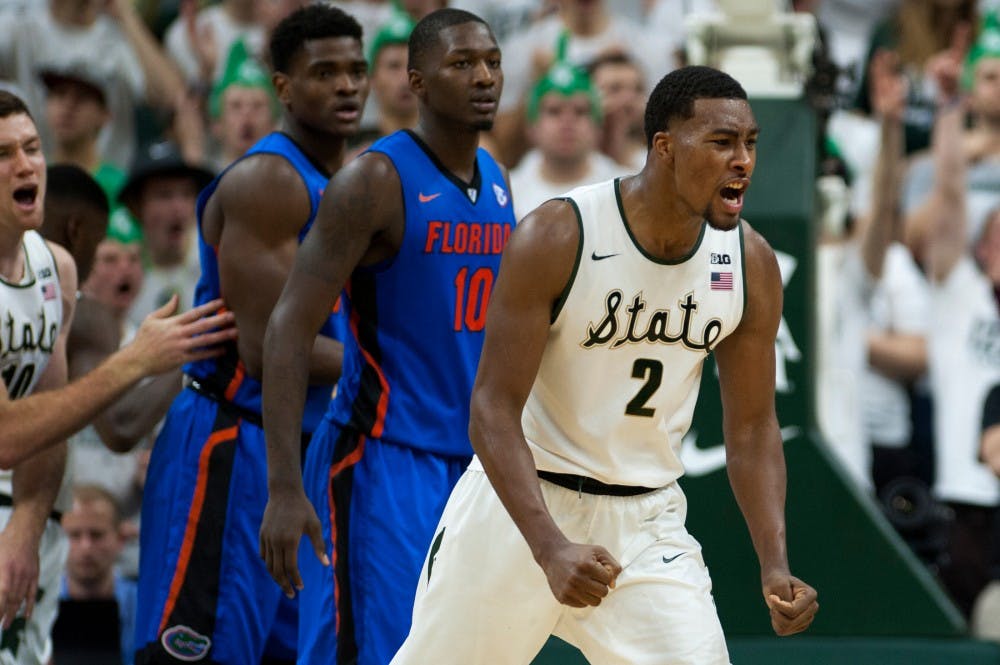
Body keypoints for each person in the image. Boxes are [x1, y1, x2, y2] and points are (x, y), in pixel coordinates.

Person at [390, 65, 818, 665]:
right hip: (521, 508)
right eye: (721, 142)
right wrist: (549, 547)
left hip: (647, 521)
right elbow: (491, 409)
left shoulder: (749, 262)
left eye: (750, 143)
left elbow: (751, 428)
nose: (743, 159)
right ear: (665, 149)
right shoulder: (559, 233)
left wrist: (774, 563)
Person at [259, 8, 514, 665]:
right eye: (462, 64)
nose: (483, 76)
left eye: (491, 61)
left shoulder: (500, 181)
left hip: (470, 464)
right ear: (417, 81)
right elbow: (286, 329)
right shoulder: (372, 181)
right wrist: (284, 486)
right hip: (379, 458)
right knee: (370, 650)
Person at [133, 6, 369, 664]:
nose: (346, 85)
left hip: (300, 449)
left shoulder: (351, 183)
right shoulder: (270, 180)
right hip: (234, 444)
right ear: (283, 88)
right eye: (324, 72)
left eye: (356, 70)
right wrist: (395, 365)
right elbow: (269, 348)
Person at [0, 90, 235, 665]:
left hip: (27, 516)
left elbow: (50, 421)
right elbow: (5, 433)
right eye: (4, 154)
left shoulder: (54, 266)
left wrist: (27, 530)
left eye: (32, 147)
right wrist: (139, 359)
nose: (27, 164)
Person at [510, 60, 628, 220]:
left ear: (598, 127)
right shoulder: (507, 193)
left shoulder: (624, 190)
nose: (567, 122)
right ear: (531, 126)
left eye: (580, 111)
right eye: (554, 111)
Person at [118, 141, 214, 326]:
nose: (178, 208)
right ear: (136, 207)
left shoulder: (214, 263)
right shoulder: (122, 273)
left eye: (186, 195)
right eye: (164, 196)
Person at [55, 484, 137, 665]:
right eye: (74, 535)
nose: (86, 547)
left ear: (121, 538)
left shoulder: (144, 606)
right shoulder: (36, 606)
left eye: (97, 535)